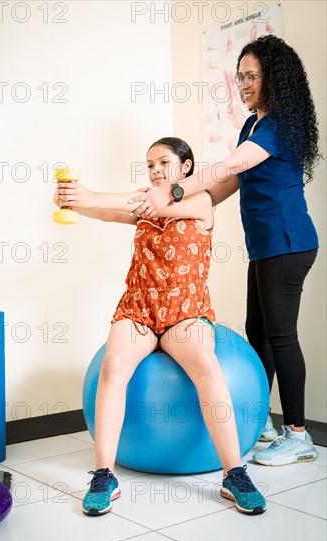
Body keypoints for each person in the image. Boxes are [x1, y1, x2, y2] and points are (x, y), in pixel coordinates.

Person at [127, 35, 321, 467]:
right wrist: (185, 206)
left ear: (274, 77)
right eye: (241, 77)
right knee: (259, 333)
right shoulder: (252, 125)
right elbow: (232, 183)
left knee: (282, 336)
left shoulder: (281, 125)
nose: (245, 84)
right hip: (266, 246)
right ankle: (262, 420)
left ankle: (299, 434)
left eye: (252, 76)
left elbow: (228, 166)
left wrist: (174, 189)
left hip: (289, 244)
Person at [54, 137, 266, 516]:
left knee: (206, 365)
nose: (155, 171)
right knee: (113, 367)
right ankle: (104, 473)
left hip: (185, 311)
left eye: (164, 162)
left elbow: (132, 201)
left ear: (185, 167)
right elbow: (110, 211)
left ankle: (234, 473)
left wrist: (92, 194)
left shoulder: (202, 202)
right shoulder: (145, 205)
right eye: (150, 164)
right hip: (138, 309)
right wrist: (74, 201)